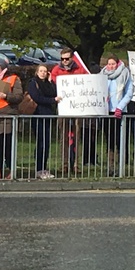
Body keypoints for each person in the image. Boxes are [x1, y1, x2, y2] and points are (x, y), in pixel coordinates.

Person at [51, 47, 88, 175]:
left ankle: (77, 164)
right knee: (63, 136)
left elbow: (86, 81)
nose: (64, 61)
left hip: (77, 106)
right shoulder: (57, 69)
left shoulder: (79, 69)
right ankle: (64, 164)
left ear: (72, 58)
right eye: (62, 59)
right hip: (63, 106)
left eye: (67, 59)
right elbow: (54, 81)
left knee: (77, 136)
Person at [101, 54, 134, 176]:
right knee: (109, 140)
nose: (110, 66)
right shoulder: (102, 75)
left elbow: (129, 93)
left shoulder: (125, 74)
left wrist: (120, 107)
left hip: (119, 112)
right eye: (109, 64)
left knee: (119, 140)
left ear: (118, 64)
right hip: (106, 112)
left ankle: (121, 167)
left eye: (113, 64)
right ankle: (110, 167)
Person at [27, 64, 59, 180]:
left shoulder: (47, 84)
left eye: (45, 71)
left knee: (46, 143)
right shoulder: (33, 83)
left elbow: (54, 92)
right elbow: (37, 98)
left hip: (48, 115)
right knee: (41, 142)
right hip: (38, 115)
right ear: (37, 72)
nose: (43, 73)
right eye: (41, 71)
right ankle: (39, 169)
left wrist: (51, 82)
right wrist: (52, 100)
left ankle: (43, 168)